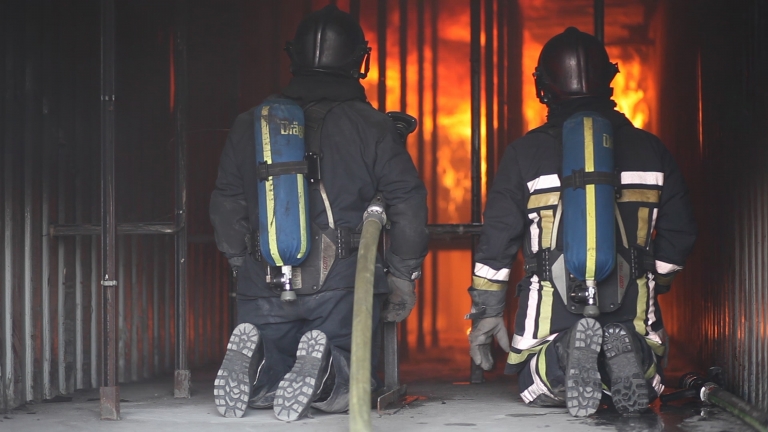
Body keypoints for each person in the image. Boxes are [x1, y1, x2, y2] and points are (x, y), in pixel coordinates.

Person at [210, 5, 428, 421]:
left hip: (263, 274)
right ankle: (328, 369)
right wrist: (403, 274)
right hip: (341, 280)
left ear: (292, 56)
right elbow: (407, 202)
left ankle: (258, 366)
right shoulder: (372, 126)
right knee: (353, 379)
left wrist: (242, 263)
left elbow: (226, 200)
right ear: (359, 60)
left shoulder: (249, 123)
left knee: (276, 365)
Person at [466, 27, 696, 417]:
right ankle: (630, 351)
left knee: (535, 383)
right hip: (631, 303)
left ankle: (563, 353)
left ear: (543, 87)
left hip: (551, 310)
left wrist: (487, 309)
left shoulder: (524, 154)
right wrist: (655, 277)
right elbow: (680, 230)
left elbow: (497, 239)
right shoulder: (652, 150)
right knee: (651, 378)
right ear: (609, 79)